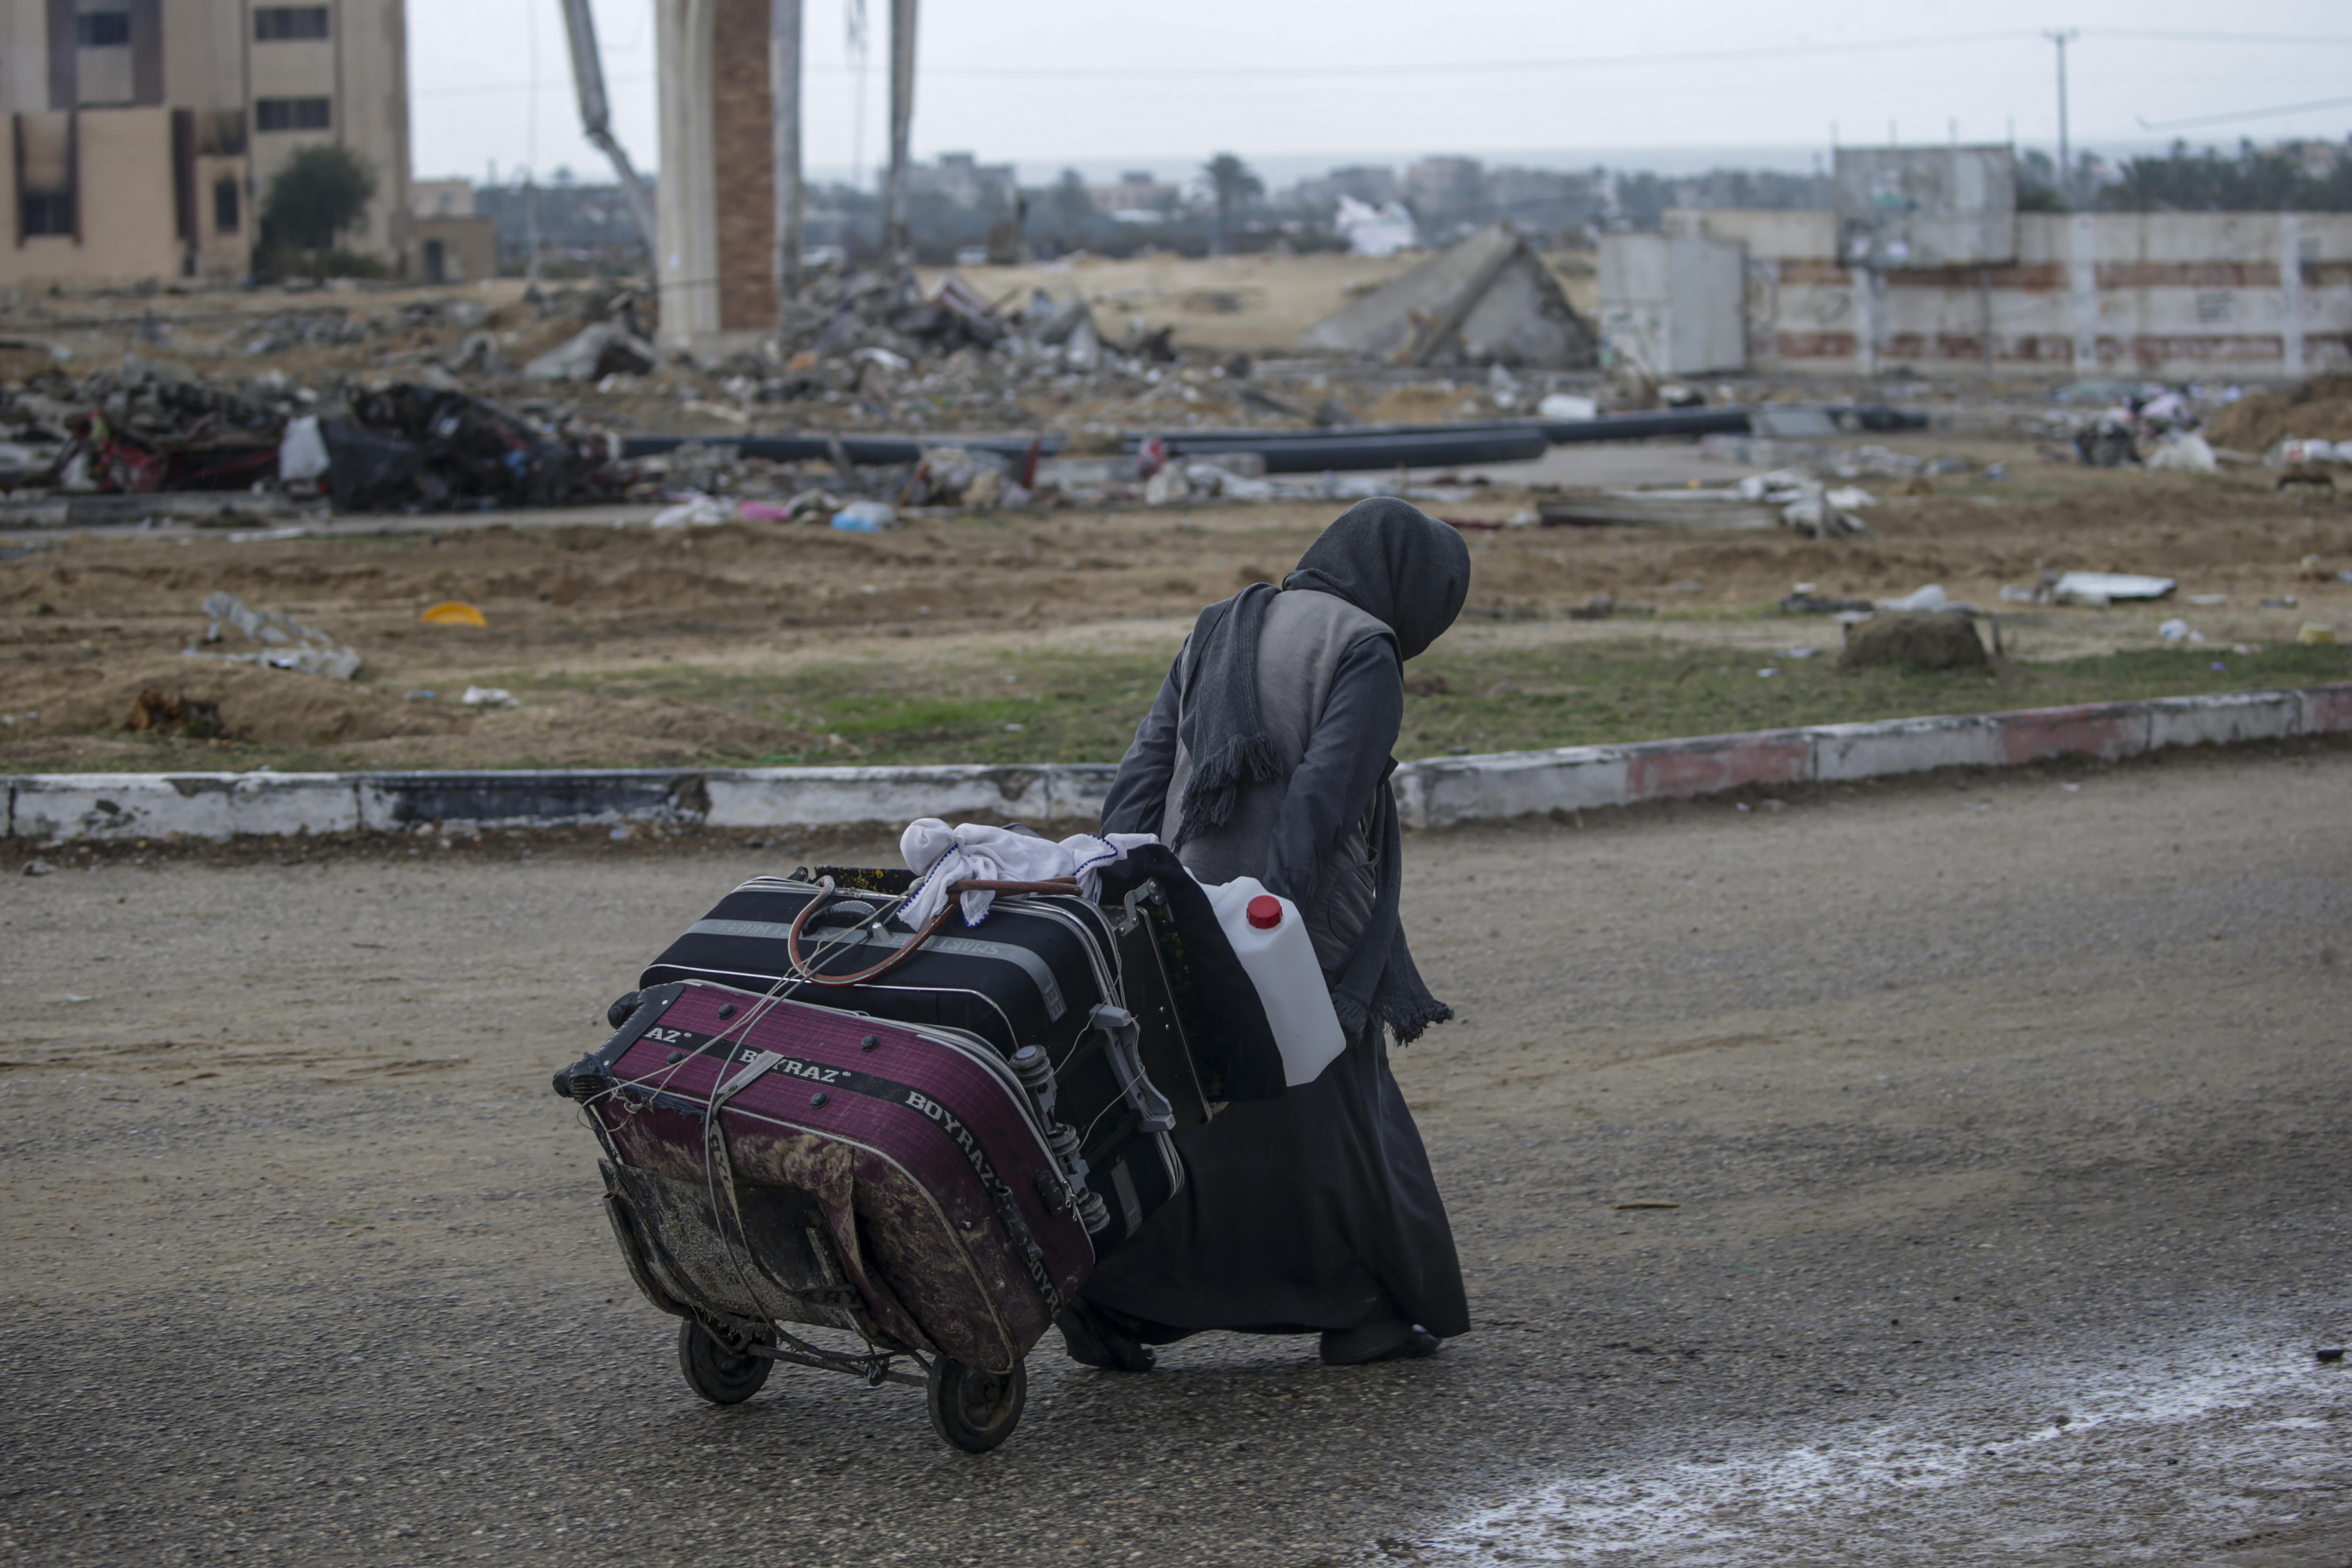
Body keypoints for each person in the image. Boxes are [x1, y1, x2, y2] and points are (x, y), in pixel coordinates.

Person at [1059, 497, 1473, 1370]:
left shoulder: (1224, 621)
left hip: (1175, 903)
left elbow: (1146, 769)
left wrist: (1116, 885)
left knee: (1177, 1105)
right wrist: (1268, 921)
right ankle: (1372, 1305)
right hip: (1292, 922)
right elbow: (1324, 801)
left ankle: (1110, 1299)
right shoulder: (1365, 648)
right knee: (1338, 1113)